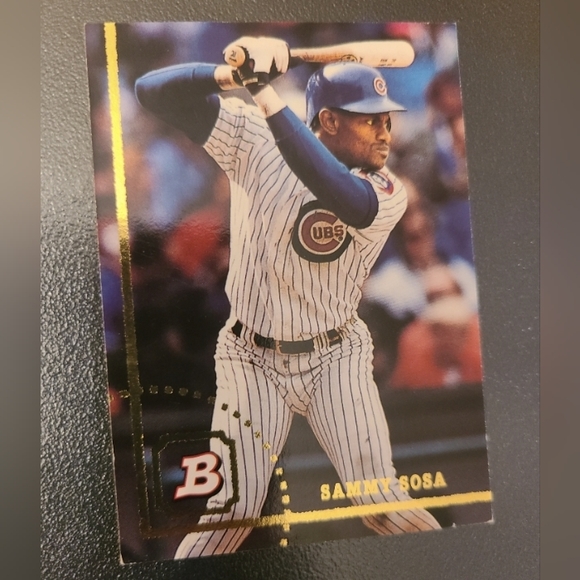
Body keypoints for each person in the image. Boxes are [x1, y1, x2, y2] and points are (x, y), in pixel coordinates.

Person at [135, 36, 441, 558]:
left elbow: (338, 193)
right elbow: (151, 90)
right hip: (251, 358)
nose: (385, 132)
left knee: (381, 503)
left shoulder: (386, 190)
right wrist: (231, 75)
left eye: (387, 119)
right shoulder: (252, 137)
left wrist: (265, 91)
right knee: (230, 516)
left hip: (334, 357)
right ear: (329, 121)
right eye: (370, 119)